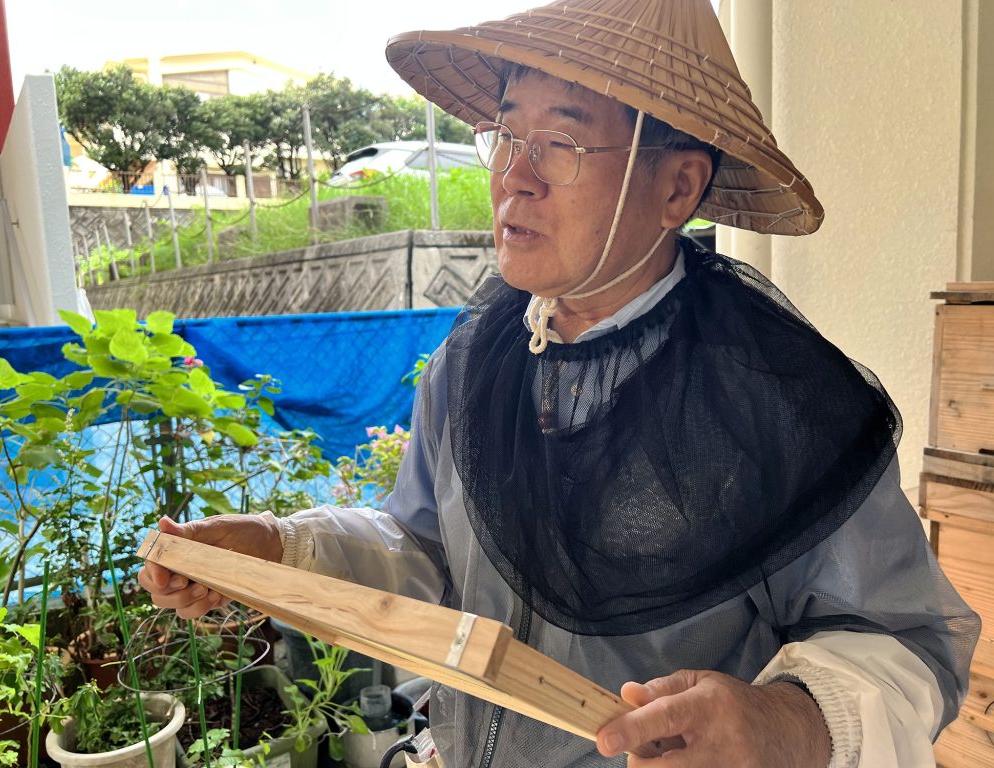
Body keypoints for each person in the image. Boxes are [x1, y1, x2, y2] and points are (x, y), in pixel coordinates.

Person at [140, 0, 980, 765]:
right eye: (506, 133)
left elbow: (906, 641)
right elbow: (427, 553)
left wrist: (786, 720)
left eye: (563, 141)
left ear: (677, 186)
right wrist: (280, 545)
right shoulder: (475, 359)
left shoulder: (781, 399)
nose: (516, 175)